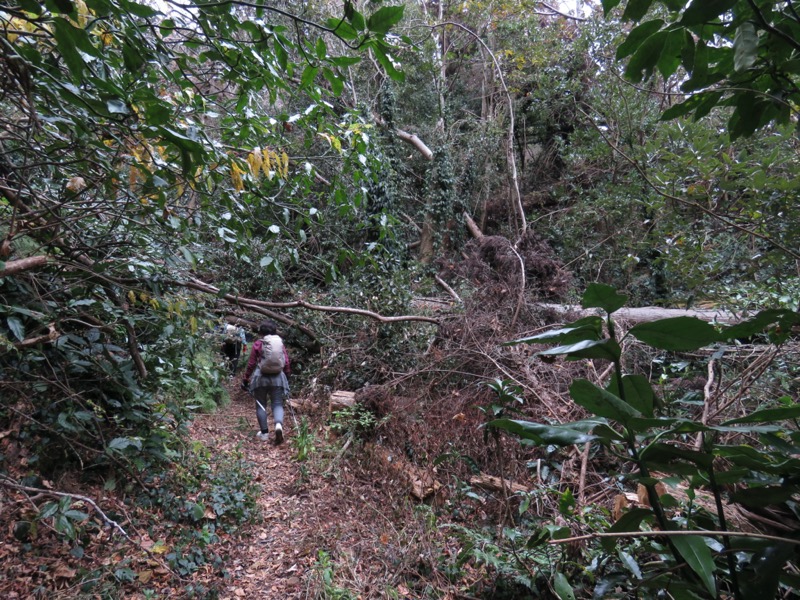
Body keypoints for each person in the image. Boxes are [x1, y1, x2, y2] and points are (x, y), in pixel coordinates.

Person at [241, 320, 290, 444]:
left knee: (261, 405)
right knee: (277, 404)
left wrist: (246, 379)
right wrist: (287, 375)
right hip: (278, 377)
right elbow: (286, 362)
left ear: (261, 332)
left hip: (260, 378)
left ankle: (264, 433)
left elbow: (251, 364)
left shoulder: (259, 344)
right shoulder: (279, 344)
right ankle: (278, 425)